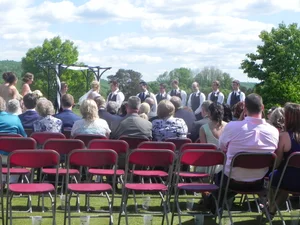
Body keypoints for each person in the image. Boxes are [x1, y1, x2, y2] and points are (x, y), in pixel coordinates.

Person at [215, 94, 279, 210]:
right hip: (259, 181)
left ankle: (216, 205)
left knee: (218, 175)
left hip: (232, 180)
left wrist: (239, 122)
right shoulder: (274, 131)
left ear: (245, 108)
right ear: (263, 107)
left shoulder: (232, 127)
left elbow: (222, 147)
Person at [268, 103, 300, 217]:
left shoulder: (283, 136)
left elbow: (276, 163)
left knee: (274, 177)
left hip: (287, 179)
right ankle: (271, 209)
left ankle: (271, 207)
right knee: (284, 178)